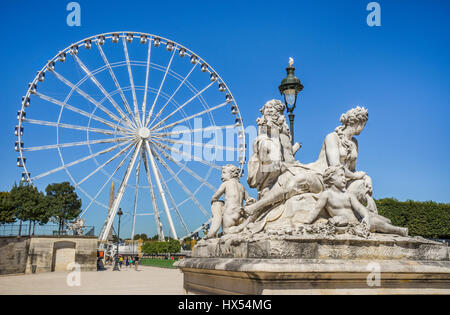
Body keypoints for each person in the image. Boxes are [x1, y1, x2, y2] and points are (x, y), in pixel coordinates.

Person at [304, 165, 408, 236]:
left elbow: (360, 208)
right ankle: (399, 230)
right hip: (350, 224)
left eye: (344, 176)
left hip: (359, 220)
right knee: (379, 224)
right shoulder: (327, 194)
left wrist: (366, 217)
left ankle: (390, 227)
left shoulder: (348, 195)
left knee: (386, 221)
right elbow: (316, 210)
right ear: (331, 179)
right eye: (341, 176)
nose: (344, 179)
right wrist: (306, 222)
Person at [204, 164, 255, 239]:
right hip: (240, 213)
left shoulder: (226, 184)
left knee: (226, 232)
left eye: (224, 173)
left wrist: (216, 204)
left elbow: (215, 196)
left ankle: (238, 229)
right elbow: (248, 199)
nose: (222, 176)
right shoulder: (241, 187)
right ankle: (242, 227)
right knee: (240, 232)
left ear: (231, 174)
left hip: (229, 213)